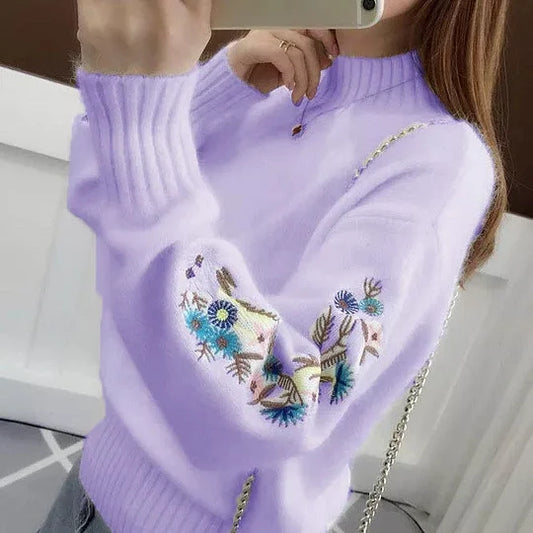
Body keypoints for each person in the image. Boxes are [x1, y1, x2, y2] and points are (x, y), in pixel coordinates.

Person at [38, 0, 510, 532]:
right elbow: (104, 193)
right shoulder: (270, 83)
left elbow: (281, 396)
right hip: (93, 478)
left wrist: (143, 114)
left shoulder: (439, 163)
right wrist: (211, 88)